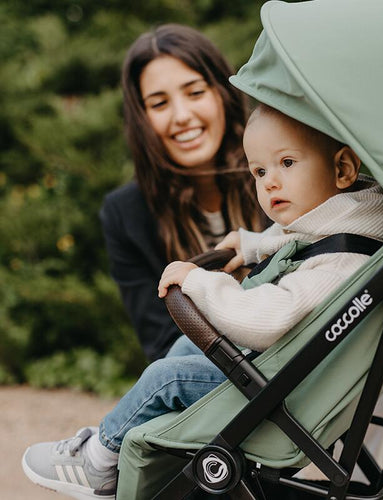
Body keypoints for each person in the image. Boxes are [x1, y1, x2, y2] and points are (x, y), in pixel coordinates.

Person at [22, 104, 383, 499]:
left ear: (343, 169)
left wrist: (203, 284)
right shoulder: (361, 220)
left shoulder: (339, 261)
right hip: (303, 372)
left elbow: (268, 318)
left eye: (286, 162)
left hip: (288, 393)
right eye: (259, 172)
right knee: (190, 347)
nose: (270, 183)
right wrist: (254, 245)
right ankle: (158, 445)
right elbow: (307, 237)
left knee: (165, 379)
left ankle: (99, 460)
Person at [99, 24, 264, 361]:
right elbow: (162, 347)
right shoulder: (125, 214)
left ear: (222, 93)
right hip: (211, 378)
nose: (182, 116)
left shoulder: (282, 174)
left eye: (195, 92)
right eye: (159, 104)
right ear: (141, 119)